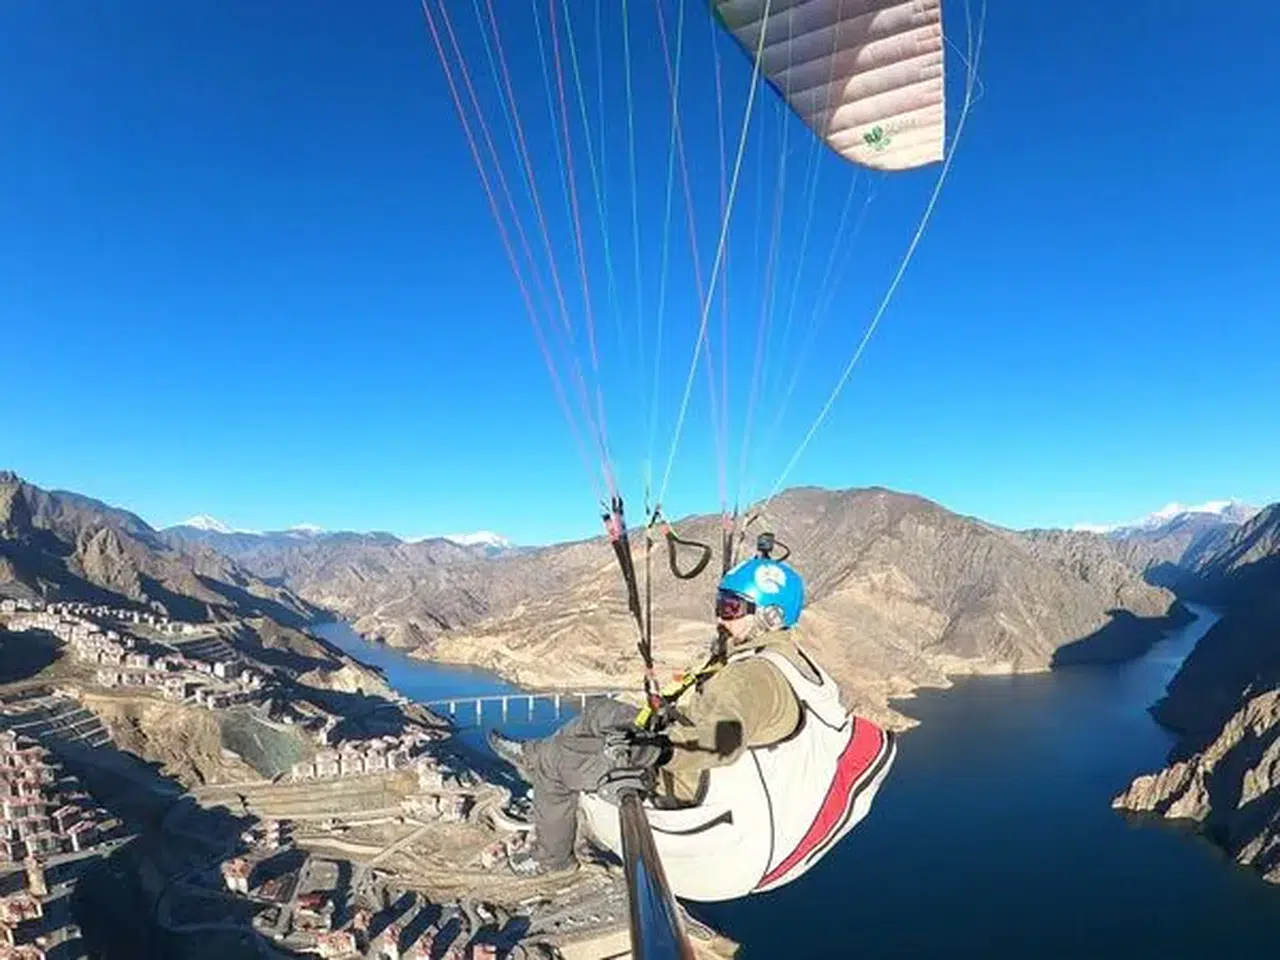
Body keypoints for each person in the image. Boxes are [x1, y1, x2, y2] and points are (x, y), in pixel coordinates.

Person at [487, 538, 896, 900]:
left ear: (769, 617)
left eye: (731, 608)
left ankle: (553, 858)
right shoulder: (779, 657)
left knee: (557, 765)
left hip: (686, 786)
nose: (720, 617)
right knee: (601, 711)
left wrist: (656, 749)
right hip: (687, 756)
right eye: (720, 604)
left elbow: (721, 741)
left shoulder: (751, 677)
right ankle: (533, 755)